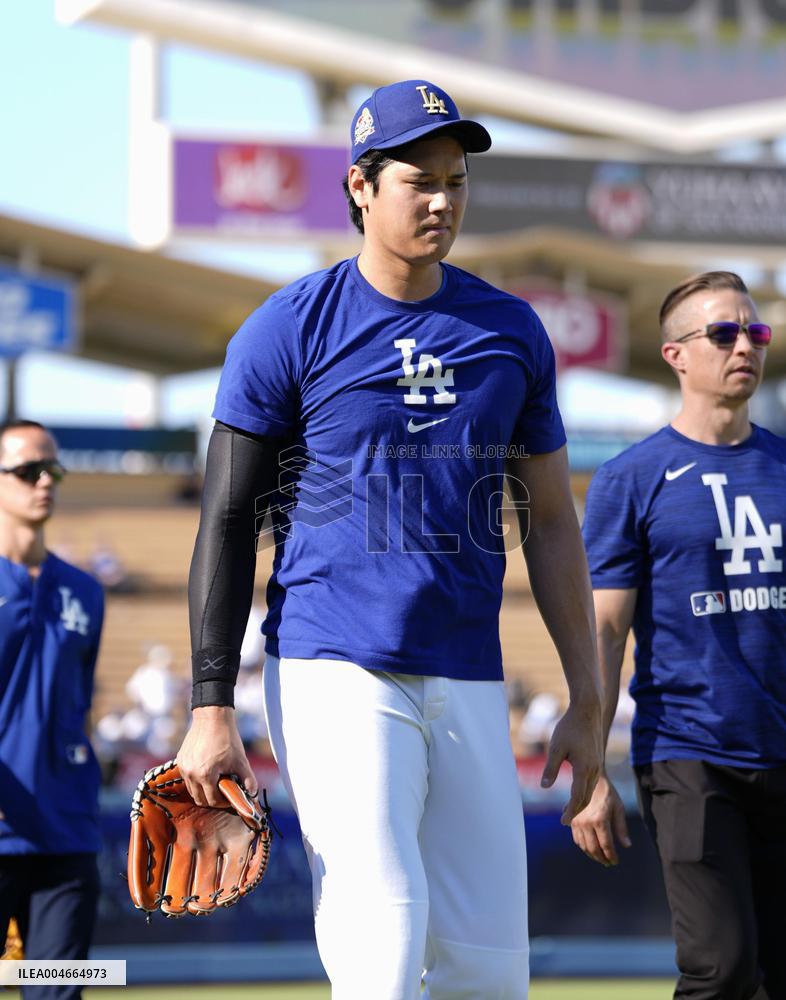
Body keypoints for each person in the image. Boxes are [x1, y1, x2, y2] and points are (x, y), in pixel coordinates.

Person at [177, 79, 602, 999]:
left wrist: (589, 694)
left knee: (491, 976)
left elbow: (551, 522)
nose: (443, 199)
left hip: (469, 672)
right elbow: (227, 520)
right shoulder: (289, 326)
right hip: (336, 666)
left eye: (457, 180)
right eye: (421, 179)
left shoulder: (510, 330)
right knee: (383, 948)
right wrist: (211, 706)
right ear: (362, 186)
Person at [573, 271, 786, 1000]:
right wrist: (592, 770)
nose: (744, 346)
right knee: (720, 968)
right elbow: (605, 630)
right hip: (689, 753)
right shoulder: (631, 479)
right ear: (676, 355)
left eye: (755, 332)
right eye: (722, 333)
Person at [0, 420, 104, 999]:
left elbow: (80, 705)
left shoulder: (85, 591)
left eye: (52, 470)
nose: (44, 482)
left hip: (67, 837)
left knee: (58, 993)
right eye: (27, 471)